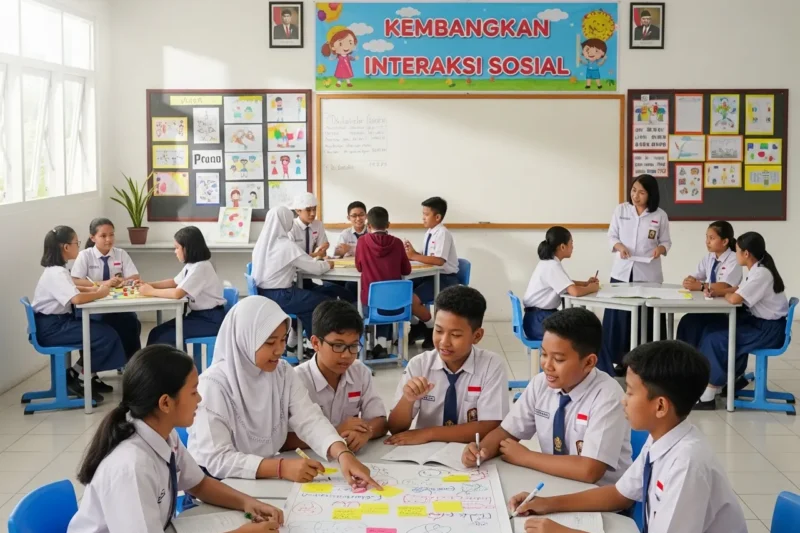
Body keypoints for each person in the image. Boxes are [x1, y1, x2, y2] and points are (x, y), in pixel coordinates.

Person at [509, 341, 746, 533]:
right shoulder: (662, 438)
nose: (623, 400)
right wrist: (547, 503)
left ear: (660, 407)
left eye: (630, 392)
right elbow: (620, 494)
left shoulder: (688, 464)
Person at [68, 345, 285, 533]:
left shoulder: (164, 433)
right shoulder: (131, 467)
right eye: (193, 392)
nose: (200, 399)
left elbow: (198, 485)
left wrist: (248, 503)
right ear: (165, 403)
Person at [188, 296, 380, 489]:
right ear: (244, 340)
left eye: (283, 340)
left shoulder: (282, 372)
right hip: (215, 486)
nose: (280, 350)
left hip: (263, 479)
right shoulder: (213, 385)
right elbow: (216, 459)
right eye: (270, 343)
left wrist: (342, 453)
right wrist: (279, 467)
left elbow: (309, 418)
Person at [462, 308, 631, 486]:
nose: (547, 366)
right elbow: (507, 432)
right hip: (554, 482)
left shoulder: (608, 396)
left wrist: (526, 457)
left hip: (598, 497)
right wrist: (481, 450)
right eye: (543, 354)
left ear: (588, 362)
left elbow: (589, 470)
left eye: (558, 359)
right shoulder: (541, 383)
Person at [386, 286, 509, 445]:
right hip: (424, 455)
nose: (444, 342)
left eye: (455, 335)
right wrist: (407, 400)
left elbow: (490, 427)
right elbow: (395, 428)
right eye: (438, 331)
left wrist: (429, 433)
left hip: (469, 453)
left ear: (477, 336)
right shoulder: (419, 365)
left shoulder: (491, 366)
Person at [689, 232, 789, 410]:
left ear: (746, 254)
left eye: (737, 251)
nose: (735, 255)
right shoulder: (758, 269)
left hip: (768, 330)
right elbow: (738, 289)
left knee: (717, 338)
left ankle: (708, 395)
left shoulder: (761, 274)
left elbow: (735, 298)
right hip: (760, 324)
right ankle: (721, 382)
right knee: (711, 329)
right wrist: (719, 291)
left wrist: (727, 294)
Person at [32, 226, 125, 402]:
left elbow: (73, 287)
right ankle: (80, 377)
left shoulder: (58, 270)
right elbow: (76, 298)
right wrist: (100, 293)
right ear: (66, 247)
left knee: (104, 330)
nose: (78, 246)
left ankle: (76, 374)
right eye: (76, 243)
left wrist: (95, 286)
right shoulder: (57, 272)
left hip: (56, 323)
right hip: (52, 329)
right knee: (106, 335)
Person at [288, 301, 387, 453]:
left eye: (353, 346)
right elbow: (282, 441)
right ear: (315, 343)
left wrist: (367, 431)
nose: (346, 355)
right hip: (308, 461)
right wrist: (335, 432)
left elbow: (380, 420)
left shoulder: (359, 372)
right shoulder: (296, 380)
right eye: (338, 346)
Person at [601, 174, 671, 376]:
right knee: (619, 318)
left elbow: (666, 241)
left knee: (647, 317)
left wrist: (661, 249)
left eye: (641, 192)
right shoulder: (621, 210)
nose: (636, 196)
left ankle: (646, 361)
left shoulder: (660, 215)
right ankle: (619, 360)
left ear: (650, 194)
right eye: (633, 190)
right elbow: (611, 235)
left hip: (648, 272)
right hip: (622, 271)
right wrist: (619, 246)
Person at [251, 206, 335, 353]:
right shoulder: (285, 245)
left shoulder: (261, 243)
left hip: (263, 295)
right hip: (282, 296)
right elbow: (315, 268)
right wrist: (329, 263)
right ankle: (318, 347)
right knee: (324, 302)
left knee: (307, 306)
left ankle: (308, 344)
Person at [71, 217, 141, 365]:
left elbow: (134, 276)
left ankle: (131, 366)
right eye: (103, 236)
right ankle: (90, 372)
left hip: (117, 306)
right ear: (93, 237)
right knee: (96, 326)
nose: (108, 239)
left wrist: (123, 281)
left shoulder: (120, 254)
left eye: (111, 234)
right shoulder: (85, 255)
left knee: (131, 323)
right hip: (91, 307)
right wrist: (103, 284)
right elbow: (75, 280)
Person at [142, 227, 226, 346]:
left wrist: (150, 291)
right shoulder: (191, 265)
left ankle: (176, 364)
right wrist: (147, 284)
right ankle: (154, 364)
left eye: (177, 248)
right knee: (155, 333)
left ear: (187, 248)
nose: (175, 252)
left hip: (210, 320)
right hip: (198, 316)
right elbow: (174, 282)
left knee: (163, 338)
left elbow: (178, 293)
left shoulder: (201, 267)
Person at [523, 226, 600, 341]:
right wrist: (592, 288)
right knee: (580, 332)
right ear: (563, 246)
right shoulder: (552, 266)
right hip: (538, 321)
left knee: (578, 325)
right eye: (571, 243)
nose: (573, 246)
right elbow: (574, 292)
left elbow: (565, 283)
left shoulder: (549, 262)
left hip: (536, 318)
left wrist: (585, 284)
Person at [677, 221, 743, 353]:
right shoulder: (709, 257)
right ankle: (684, 361)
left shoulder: (734, 259)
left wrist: (700, 286)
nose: (707, 241)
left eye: (712, 238)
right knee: (687, 321)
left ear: (724, 241)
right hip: (709, 305)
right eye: (706, 237)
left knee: (695, 324)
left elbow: (725, 285)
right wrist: (690, 281)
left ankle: (695, 360)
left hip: (725, 309)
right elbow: (696, 276)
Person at [355, 206, 412, 357]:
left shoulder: (362, 242)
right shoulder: (398, 243)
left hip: (370, 307)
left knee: (368, 299)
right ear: (388, 225)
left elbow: (359, 266)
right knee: (387, 296)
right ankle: (382, 344)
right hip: (397, 306)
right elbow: (406, 270)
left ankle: (366, 343)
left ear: (368, 226)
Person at [405, 196, 460, 349]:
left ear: (437, 217)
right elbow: (427, 256)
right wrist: (414, 252)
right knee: (401, 291)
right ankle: (417, 326)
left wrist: (414, 256)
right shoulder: (430, 232)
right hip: (430, 275)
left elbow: (439, 261)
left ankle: (430, 329)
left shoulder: (442, 233)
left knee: (412, 299)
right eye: (422, 214)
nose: (423, 218)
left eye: (426, 214)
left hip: (445, 278)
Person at [289, 192, 353, 303]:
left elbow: (323, 249)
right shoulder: (291, 227)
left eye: (315, 209)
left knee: (343, 292)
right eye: (308, 210)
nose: (313, 213)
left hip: (309, 274)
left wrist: (322, 249)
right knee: (326, 298)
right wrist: (315, 254)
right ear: (298, 211)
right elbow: (294, 258)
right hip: (293, 279)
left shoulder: (317, 225)